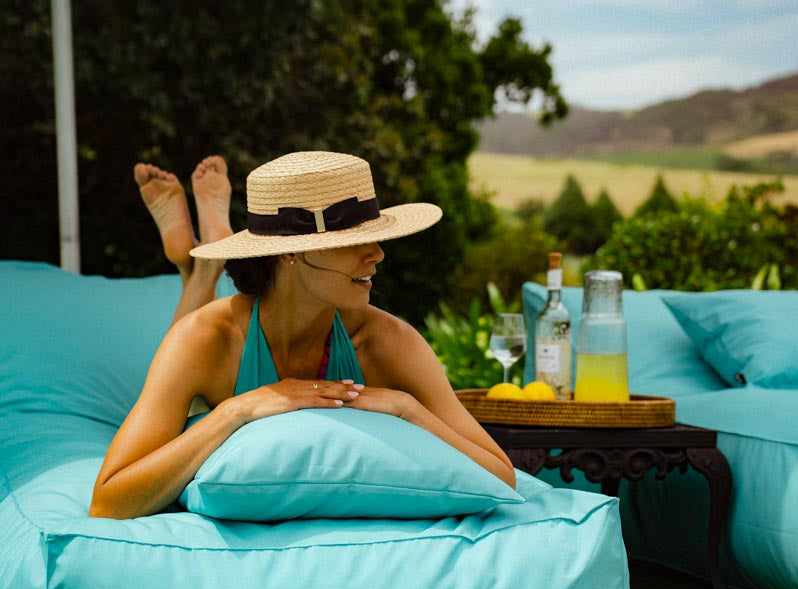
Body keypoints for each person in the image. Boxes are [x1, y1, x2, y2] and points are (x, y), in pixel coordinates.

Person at [89, 151, 515, 519]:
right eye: (353, 241)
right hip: (206, 361)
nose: (379, 254)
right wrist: (236, 411)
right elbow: (109, 502)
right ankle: (199, 269)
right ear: (290, 251)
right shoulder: (206, 339)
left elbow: (502, 475)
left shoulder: (388, 342)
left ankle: (200, 264)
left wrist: (407, 409)